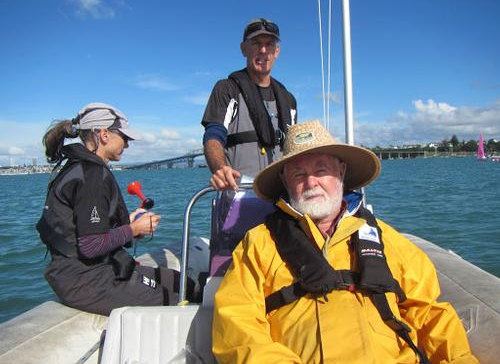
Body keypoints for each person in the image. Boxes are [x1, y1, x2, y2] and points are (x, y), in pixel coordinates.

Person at [212, 120, 477, 363]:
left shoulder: (388, 240)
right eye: (298, 174)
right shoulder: (258, 243)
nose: (311, 182)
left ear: (341, 171)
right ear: (284, 181)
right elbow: (237, 323)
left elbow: (429, 313)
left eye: (321, 170)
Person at [36, 103, 192, 316]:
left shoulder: (80, 168)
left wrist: (128, 221)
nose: (127, 145)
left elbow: (85, 227)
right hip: (87, 280)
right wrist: (133, 230)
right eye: (125, 138)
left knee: (185, 283)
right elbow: (90, 246)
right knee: (176, 301)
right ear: (104, 135)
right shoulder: (91, 176)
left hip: (98, 269)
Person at [202, 18, 297, 191]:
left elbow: (295, 148)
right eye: (256, 43)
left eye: (269, 44)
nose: (263, 50)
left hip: (281, 198)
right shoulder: (227, 89)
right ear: (243, 49)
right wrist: (219, 168)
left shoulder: (288, 99)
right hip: (238, 196)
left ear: (277, 51)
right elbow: (213, 135)